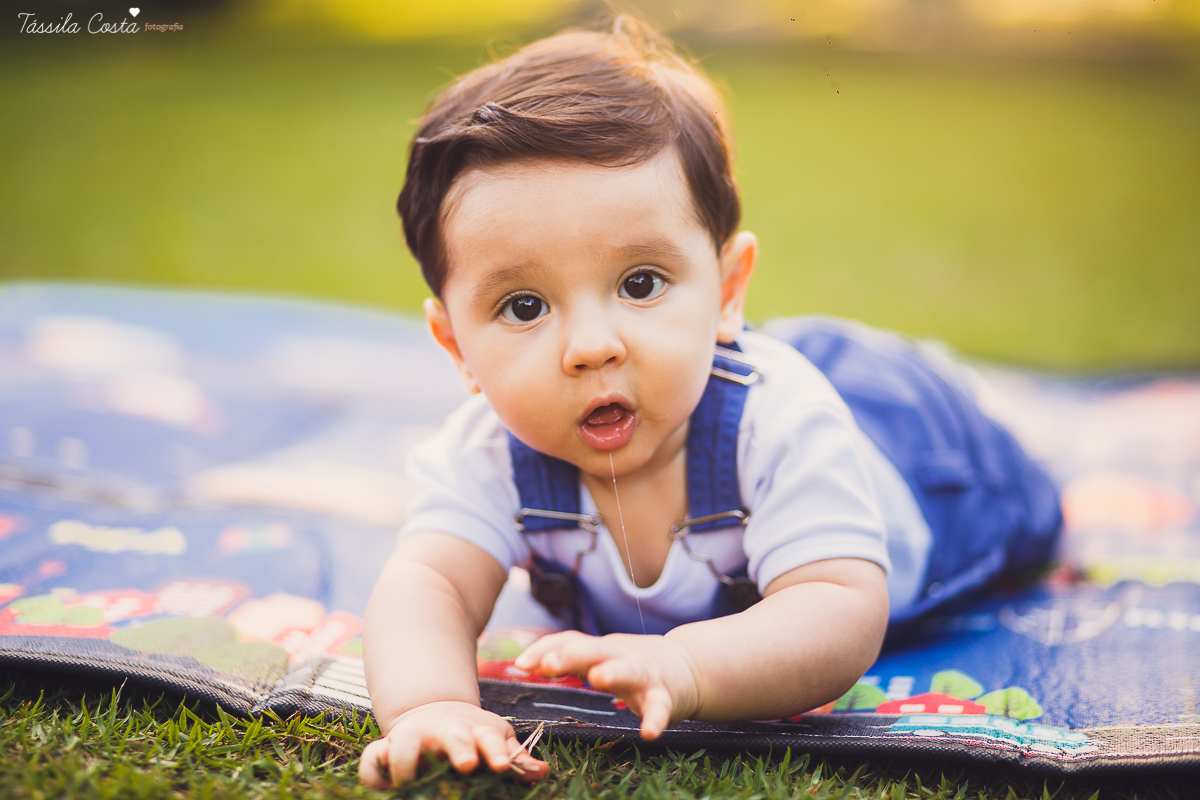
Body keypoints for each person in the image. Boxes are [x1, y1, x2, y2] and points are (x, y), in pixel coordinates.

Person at [358, 18, 1060, 788]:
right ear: (456, 345)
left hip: (918, 467)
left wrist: (687, 664)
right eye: (524, 306)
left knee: (1006, 482)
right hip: (731, 368)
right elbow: (428, 584)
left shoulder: (782, 424)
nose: (591, 346)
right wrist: (428, 704)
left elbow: (839, 609)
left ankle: (949, 378)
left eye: (639, 284)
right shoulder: (486, 453)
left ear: (727, 291)